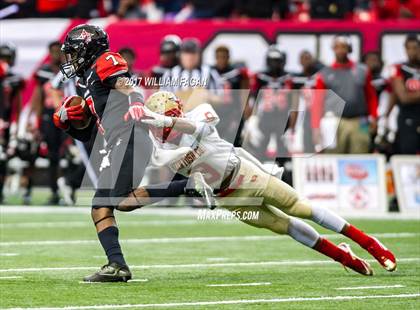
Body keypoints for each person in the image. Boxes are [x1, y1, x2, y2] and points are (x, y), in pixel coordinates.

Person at [135, 90, 397, 276]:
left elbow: (200, 128)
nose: (159, 131)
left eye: (163, 122)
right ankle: (343, 256)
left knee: (300, 207)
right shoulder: (161, 149)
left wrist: (167, 120)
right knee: (285, 227)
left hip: (245, 175)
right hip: (229, 197)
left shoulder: (198, 114)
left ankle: (369, 242)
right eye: (157, 124)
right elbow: (162, 158)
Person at [53, 24, 213, 282]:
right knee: (102, 206)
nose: (69, 59)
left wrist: (137, 103)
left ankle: (188, 185)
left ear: (86, 48)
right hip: (116, 141)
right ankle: (117, 265)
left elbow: (129, 85)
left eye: (73, 52)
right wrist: (67, 125)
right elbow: (91, 133)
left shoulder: (106, 61)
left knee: (116, 202)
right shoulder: (86, 83)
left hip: (130, 136)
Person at [311, 35, 378, 154]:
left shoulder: (362, 70)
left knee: (361, 155)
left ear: (349, 49)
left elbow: (371, 96)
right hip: (333, 121)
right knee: (333, 157)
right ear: (333, 49)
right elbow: (317, 103)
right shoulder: (324, 74)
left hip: (360, 120)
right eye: (337, 47)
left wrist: (373, 116)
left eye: (344, 47)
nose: (341, 50)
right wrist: (316, 126)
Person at [31, 41, 66, 204]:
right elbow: (38, 96)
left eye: (59, 51)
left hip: (68, 114)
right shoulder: (43, 72)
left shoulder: (69, 71)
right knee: (52, 154)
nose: (56, 54)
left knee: (68, 153)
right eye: (53, 51)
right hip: (50, 115)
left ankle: (69, 188)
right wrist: (35, 119)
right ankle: (54, 191)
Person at [250, 45, 296, 164]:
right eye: (272, 61)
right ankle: (258, 170)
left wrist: (292, 123)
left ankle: (284, 171)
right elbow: (254, 98)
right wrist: (252, 118)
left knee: (282, 148)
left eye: (277, 61)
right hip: (266, 115)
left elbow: (293, 101)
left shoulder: (288, 78)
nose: (274, 64)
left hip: (282, 116)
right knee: (261, 146)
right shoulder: (260, 77)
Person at [0, 43, 25, 204]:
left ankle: (1, 191)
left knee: (3, 158)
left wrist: (16, 126)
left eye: (7, 58)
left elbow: (16, 105)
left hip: (6, 123)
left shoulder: (14, 79)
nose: (5, 61)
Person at [212, 45, 250, 146]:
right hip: (217, 110)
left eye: (223, 57)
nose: (221, 60)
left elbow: (243, 90)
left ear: (228, 57)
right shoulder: (210, 72)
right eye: (218, 57)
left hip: (233, 111)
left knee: (234, 140)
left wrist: (245, 106)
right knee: (215, 140)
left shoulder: (237, 73)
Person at [389, 35, 420, 155]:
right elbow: (403, 97)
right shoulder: (399, 68)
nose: (412, 51)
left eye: (415, 48)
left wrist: (413, 95)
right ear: (405, 50)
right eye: (409, 48)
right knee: (408, 152)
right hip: (408, 117)